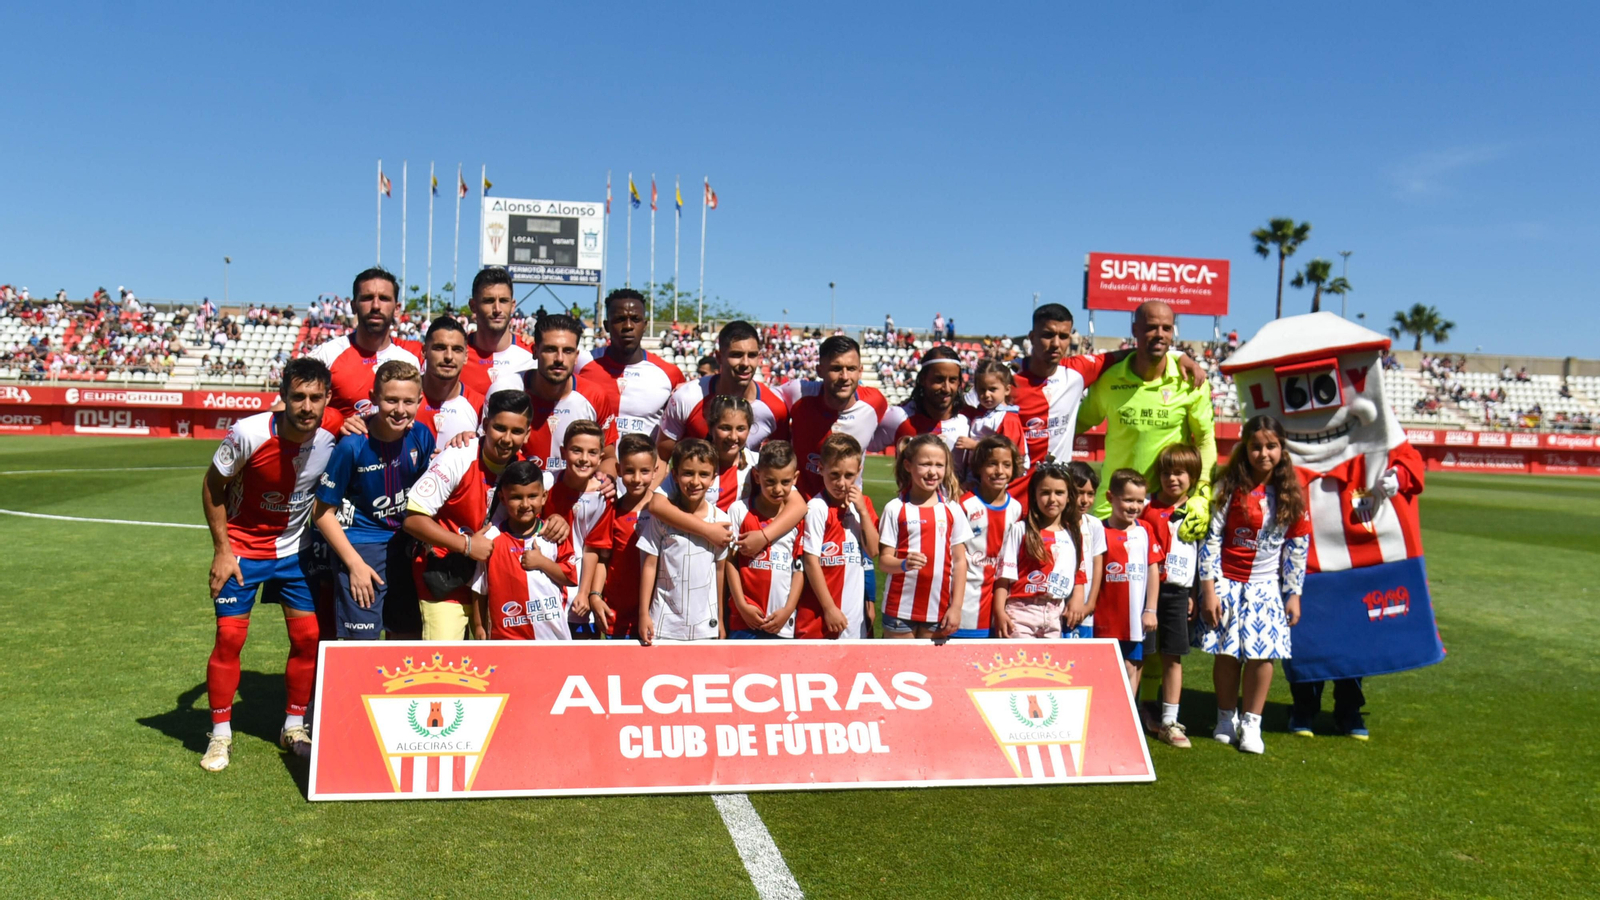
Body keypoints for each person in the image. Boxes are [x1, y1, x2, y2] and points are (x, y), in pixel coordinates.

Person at [199, 358, 336, 772]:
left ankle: (294, 725)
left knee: (308, 637)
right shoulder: (248, 433)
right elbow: (212, 485)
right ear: (283, 397)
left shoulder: (332, 440)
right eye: (298, 397)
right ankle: (220, 736)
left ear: (328, 399)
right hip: (241, 552)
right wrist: (222, 549)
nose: (307, 406)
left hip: (295, 554)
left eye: (316, 397)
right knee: (229, 640)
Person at [1194, 415, 1310, 756]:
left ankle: (1252, 723)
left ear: (1282, 449)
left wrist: (1294, 594)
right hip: (1228, 581)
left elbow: (1298, 546)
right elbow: (1211, 539)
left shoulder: (1291, 491)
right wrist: (1209, 589)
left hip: (1266, 586)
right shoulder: (1228, 486)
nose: (1263, 453)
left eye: (1271, 446)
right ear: (1245, 448)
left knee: (1263, 657)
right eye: (1256, 446)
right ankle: (1225, 718)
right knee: (1227, 655)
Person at [311, 360, 435, 642]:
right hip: (362, 548)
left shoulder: (421, 436)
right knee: (361, 644)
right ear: (373, 399)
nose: (400, 410)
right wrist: (353, 564)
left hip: (406, 545)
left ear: (419, 401)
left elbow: (426, 495)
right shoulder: (353, 445)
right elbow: (322, 513)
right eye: (391, 400)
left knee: (407, 635)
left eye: (408, 401)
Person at [402, 391, 534, 640]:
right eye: (499, 428)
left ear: (527, 434)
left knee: (497, 668)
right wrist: (467, 545)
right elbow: (412, 519)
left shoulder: (525, 471)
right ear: (484, 426)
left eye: (516, 432)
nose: (506, 439)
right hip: (444, 578)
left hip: (491, 586)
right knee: (444, 666)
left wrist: (557, 520)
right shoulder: (458, 454)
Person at [1076, 301, 1215, 535]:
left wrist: (1202, 492)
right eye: (1151, 327)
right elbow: (1076, 425)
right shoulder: (1109, 380)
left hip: (1166, 508)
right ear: (1135, 330)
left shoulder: (1191, 381)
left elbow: (1205, 440)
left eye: (1166, 328)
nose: (1159, 334)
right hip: (1111, 507)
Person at [486, 313, 620, 476]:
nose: (559, 359)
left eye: (568, 351)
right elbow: (483, 448)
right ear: (535, 351)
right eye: (551, 349)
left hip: (571, 498)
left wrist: (606, 480)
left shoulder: (594, 396)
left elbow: (608, 457)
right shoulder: (505, 389)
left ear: (576, 357)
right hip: (515, 497)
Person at [469, 460, 578, 640]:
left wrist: (542, 562)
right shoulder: (491, 539)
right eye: (516, 497)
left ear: (544, 497)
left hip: (552, 638)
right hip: (506, 639)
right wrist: (480, 626)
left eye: (532, 496)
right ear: (503, 499)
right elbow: (479, 589)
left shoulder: (552, 534)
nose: (525, 504)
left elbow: (570, 577)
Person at [877, 433, 971, 639]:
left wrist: (956, 607)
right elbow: (884, 561)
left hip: (939, 610)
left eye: (939, 465)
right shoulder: (895, 508)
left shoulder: (952, 509)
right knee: (898, 669)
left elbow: (960, 562)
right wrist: (903, 564)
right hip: (899, 609)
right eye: (925, 464)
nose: (932, 472)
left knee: (931, 670)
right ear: (908, 466)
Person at [1139, 444, 1203, 747]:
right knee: (1143, 653)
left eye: (1179, 473)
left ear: (1193, 475)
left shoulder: (1199, 510)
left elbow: (1201, 555)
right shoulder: (1146, 508)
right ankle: (1141, 708)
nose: (1172, 479)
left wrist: (1193, 592)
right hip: (1146, 591)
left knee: (1173, 656)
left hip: (1178, 591)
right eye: (1166, 472)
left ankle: (1170, 720)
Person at [637, 439, 731, 644]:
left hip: (705, 626)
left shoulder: (722, 521)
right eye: (688, 473)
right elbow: (650, 565)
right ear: (675, 475)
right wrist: (643, 614)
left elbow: (720, 570)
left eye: (703, 474)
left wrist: (720, 619)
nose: (695, 481)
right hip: (663, 624)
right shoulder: (661, 518)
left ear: (714, 477)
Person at [779, 335, 892, 498]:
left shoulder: (875, 403)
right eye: (836, 368)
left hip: (846, 511)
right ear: (820, 371)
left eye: (851, 368)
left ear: (860, 371)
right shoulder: (797, 394)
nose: (845, 377)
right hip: (799, 507)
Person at [660, 320, 790, 458]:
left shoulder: (776, 410)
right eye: (736, 355)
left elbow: (780, 465)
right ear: (719, 357)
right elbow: (662, 457)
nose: (745, 363)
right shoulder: (687, 397)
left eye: (752, 355)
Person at [309, 268, 422, 425]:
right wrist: (338, 424)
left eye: (384, 298)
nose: (376, 305)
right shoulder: (326, 356)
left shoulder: (410, 362)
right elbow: (290, 410)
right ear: (354, 306)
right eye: (367, 298)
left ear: (397, 308)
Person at [797, 433, 880, 639]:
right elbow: (810, 562)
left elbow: (873, 551)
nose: (841, 483)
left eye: (849, 475)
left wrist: (862, 511)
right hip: (820, 616)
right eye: (834, 475)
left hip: (853, 612)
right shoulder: (817, 508)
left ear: (859, 471)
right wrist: (829, 608)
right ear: (821, 469)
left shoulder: (864, 504)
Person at [538, 419, 615, 639]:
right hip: (545, 587)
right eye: (576, 451)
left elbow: (594, 548)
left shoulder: (604, 495)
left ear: (601, 456)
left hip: (580, 590)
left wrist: (585, 593)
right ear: (563, 452)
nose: (584, 459)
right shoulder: (546, 484)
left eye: (592, 453)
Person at [993, 461, 1087, 638]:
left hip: (1055, 613)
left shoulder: (1074, 533)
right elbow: (1004, 576)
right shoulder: (1021, 529)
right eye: (1045, 492)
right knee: (1021, 664)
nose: (1052, 499)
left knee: (1046, 665)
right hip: (1021, 612)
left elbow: (1079, 574)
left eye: (1059, 493)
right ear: (1034, 496)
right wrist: (999, 612)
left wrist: (1077, 600)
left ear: (1069, 497)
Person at [574, 288, 685, 439]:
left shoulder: (670, 374)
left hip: (646, 462)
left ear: (645, 325)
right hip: (592, 462)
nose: (628, 326)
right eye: (620, 319)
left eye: (635, 319)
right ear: (607, 326)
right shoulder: (580, 364)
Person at [1094, 469, 1163, 708]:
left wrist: (1151, 609)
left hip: (1135, 620)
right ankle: (1103, 716)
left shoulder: (1145, 530)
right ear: (1110, 497)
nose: (1135, 506)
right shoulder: (1099, 531)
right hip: (1104, 618)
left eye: (1139, 501)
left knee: (1131, 667)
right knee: (1104, 669)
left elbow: (1153, 569)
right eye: (1128, 500)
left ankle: (1126, 717)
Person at [724, 441, 806, 639]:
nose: (777, 489)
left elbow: (799, 569)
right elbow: (730, 562)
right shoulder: (739, 511)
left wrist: (788, 610)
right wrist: (742, 606)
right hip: (744, 619)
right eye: (770, 481)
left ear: (795, 478)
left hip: (781, 621)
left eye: (785, 482)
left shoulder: (796, 519)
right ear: (757, 476)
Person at [954, 435, 1024, 638]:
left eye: (1006, 465)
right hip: (967, 602)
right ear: (978, 467)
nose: (1000, 471)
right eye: (992, 464)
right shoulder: (965, 505)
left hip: (1003, 604)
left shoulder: (1016, 509)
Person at [879, 345, 972, 478]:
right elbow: (860, 443)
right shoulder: (899, 417)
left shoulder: (969, 420)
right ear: (923, 379)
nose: (946, 388)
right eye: (939, 379)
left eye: (952, 380)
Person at [455, 267, 534, 397]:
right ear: (473, 306)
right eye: (489, 301)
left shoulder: (532, 354)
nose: (497, 309)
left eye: (503, 301)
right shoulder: (455, 354)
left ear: (513, 305)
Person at [413, 316, 483, 446]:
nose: (449, 357)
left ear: (466, 356)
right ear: (424, 352)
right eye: (440, 348)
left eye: (457, 349)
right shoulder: (401, 399)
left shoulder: (480, 407)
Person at [957, 358, 1028, 477]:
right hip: (978, 474)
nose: (986, 395)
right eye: (982, 390)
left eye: (992, 389)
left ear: (1007, 390)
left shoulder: (1008, 418)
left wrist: (976, 446)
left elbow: (1008, 452)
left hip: (997, 477)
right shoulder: (981, 412)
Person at [1066, 461, 1107, 640]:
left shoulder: (1094, 525)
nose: (1085, 500)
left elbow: (1098, 565)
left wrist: (1090, 604)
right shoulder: (1056, 525)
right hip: (1060, 607)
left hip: (1085, 610)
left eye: (1090, 494)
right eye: (1079, 493)